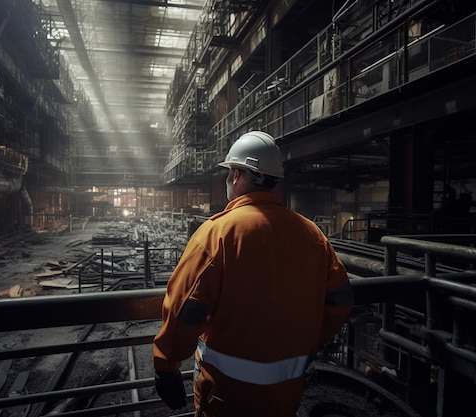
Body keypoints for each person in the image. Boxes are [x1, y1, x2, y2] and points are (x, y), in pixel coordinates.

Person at [152, 131, 354, 417]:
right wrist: (308, 337)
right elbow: (341, 299)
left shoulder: (217, 234)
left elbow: (184, 309)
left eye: (228, 175)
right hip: (286, 396)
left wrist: (166, 367)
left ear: (236, 175)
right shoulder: (312, 235)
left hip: (226, 397)